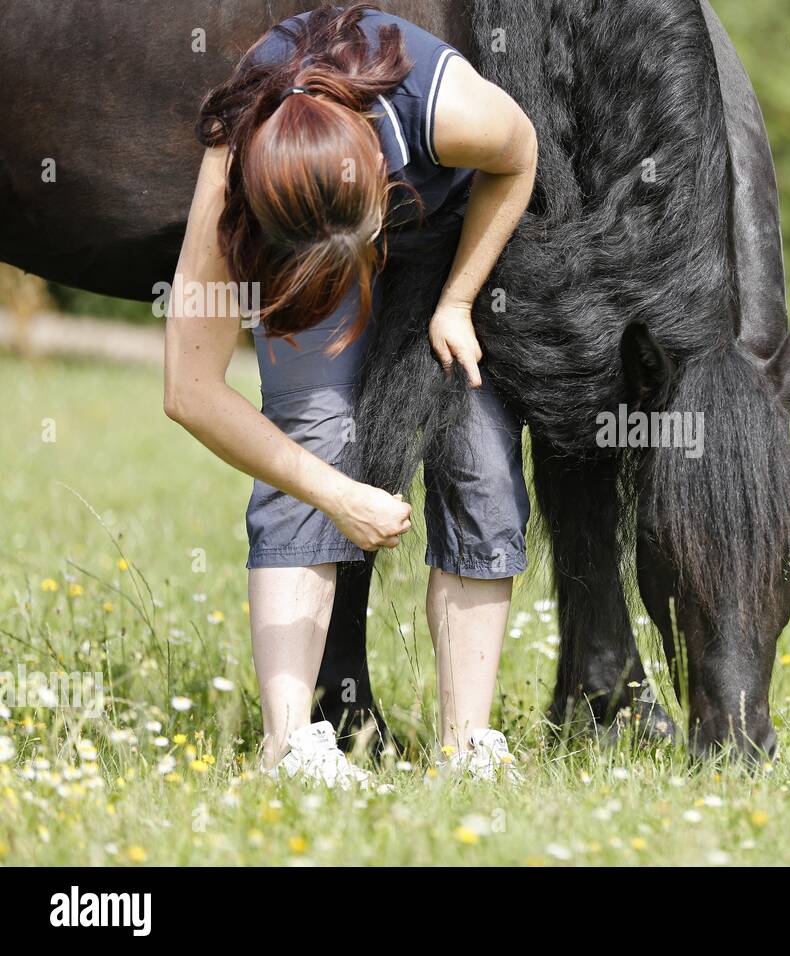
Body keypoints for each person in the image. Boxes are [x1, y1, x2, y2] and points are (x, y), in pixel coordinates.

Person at [163, 3, 537, 785]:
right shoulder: (232, 170)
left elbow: (521, 153)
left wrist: (458, 301)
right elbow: (190, 390)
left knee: (479, 449)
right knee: (310, 428)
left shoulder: (452, 111)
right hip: (314, 234)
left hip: (444, 226)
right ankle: (290, 746)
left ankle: (468, 746)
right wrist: (331, 489)